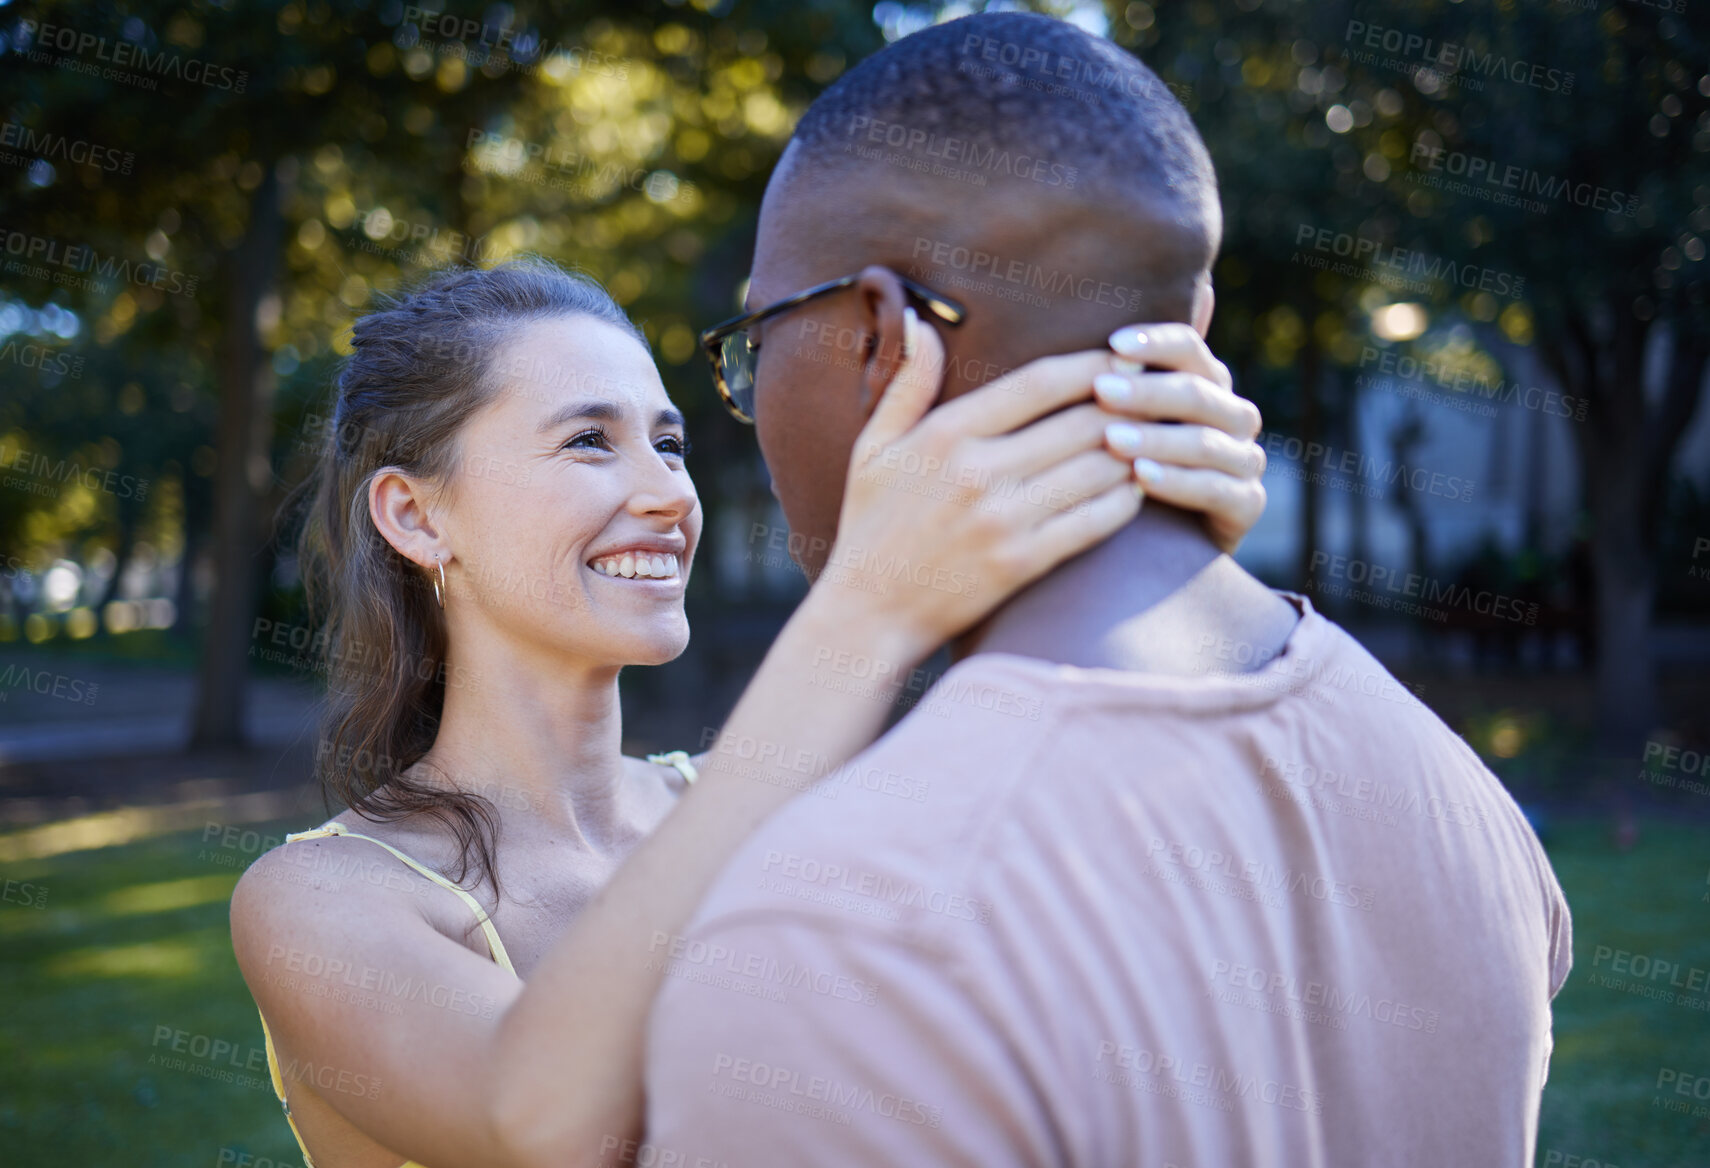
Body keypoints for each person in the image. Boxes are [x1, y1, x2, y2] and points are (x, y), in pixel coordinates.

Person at [631, 12, 1574, 1167]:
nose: (749, 385)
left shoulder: (840, 942)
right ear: (1196, 331)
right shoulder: (1460, 795)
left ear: (882, 336)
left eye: (759, 334)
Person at [229, 253, 1271, 1168]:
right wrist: (869, 603)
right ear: (416, 514)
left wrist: (1160, 552)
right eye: (590, 441)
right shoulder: (320, 900)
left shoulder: (768, 812)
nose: (668, 493)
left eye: (670, 444)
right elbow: (547, 1124)